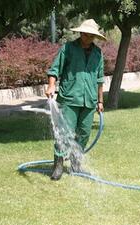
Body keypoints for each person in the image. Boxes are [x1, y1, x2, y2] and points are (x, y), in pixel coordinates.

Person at [45, 19, 106, 181]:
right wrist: (51, 86)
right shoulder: (68, 49)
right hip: (70, 98)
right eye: (87, 34)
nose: (89, 37)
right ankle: (58, 166)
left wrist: (100, 101)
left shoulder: (98, 53)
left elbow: (100, 79)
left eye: (92, 35)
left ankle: (75, 165)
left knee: (84, 134)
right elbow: (54, 70)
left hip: (90, 101)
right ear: (81, 33)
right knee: (64, 133)